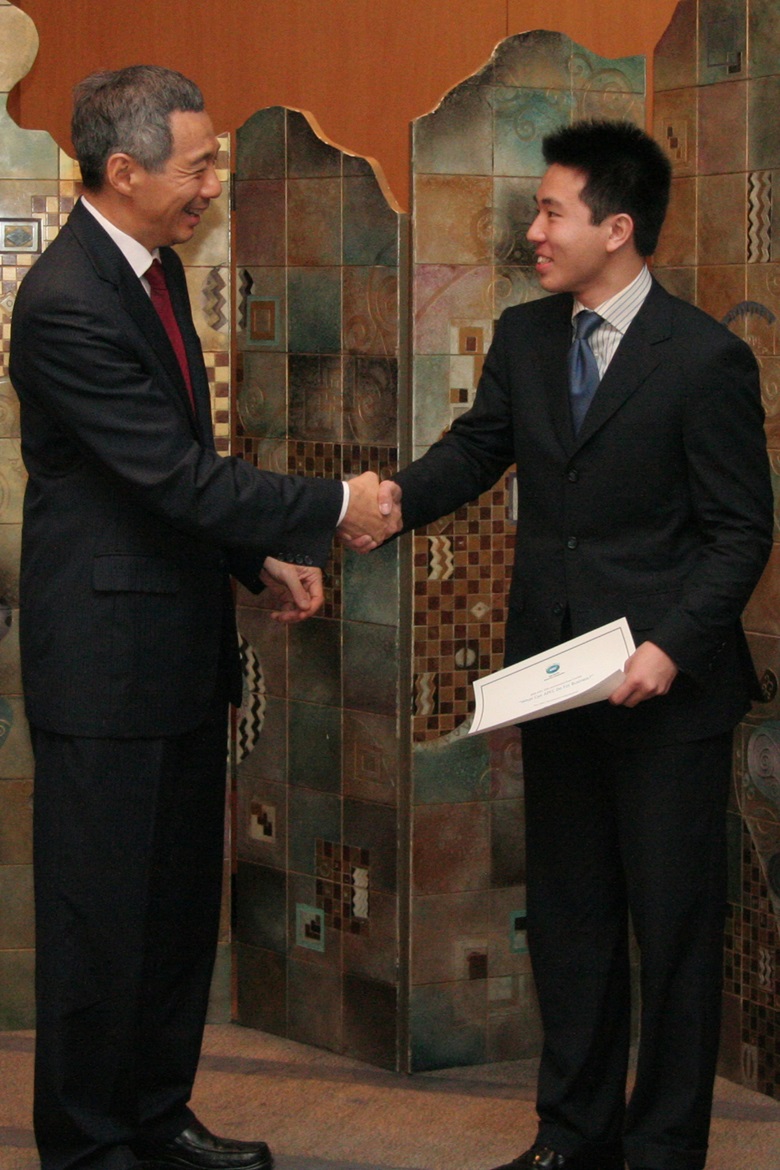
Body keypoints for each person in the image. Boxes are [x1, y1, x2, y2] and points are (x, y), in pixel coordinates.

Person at [356, 121, 774, 1170]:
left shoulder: (707, 359)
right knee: (573, 917)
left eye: (552, 212)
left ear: (617, 228)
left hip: (669, 690)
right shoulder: (526, 337)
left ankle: (664, 1147)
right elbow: (474, 454)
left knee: (672, 930)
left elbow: (741, 532)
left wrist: (671, 647)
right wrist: (389, 501)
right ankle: (573, 1136)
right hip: (559, 682)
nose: (532, 231)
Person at [9, 65, 397, 1170]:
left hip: (179, 650)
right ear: (122, 170)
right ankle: (89, 1147)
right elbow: (172, 475)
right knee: (101, 925)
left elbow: (177, 476)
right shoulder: (67, 301)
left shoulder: (155, 269)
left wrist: (259, 559)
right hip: (104, 664)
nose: (215, 185)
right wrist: (331, 505)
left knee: (176, 914)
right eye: (200, 166)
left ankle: (155, 1117)